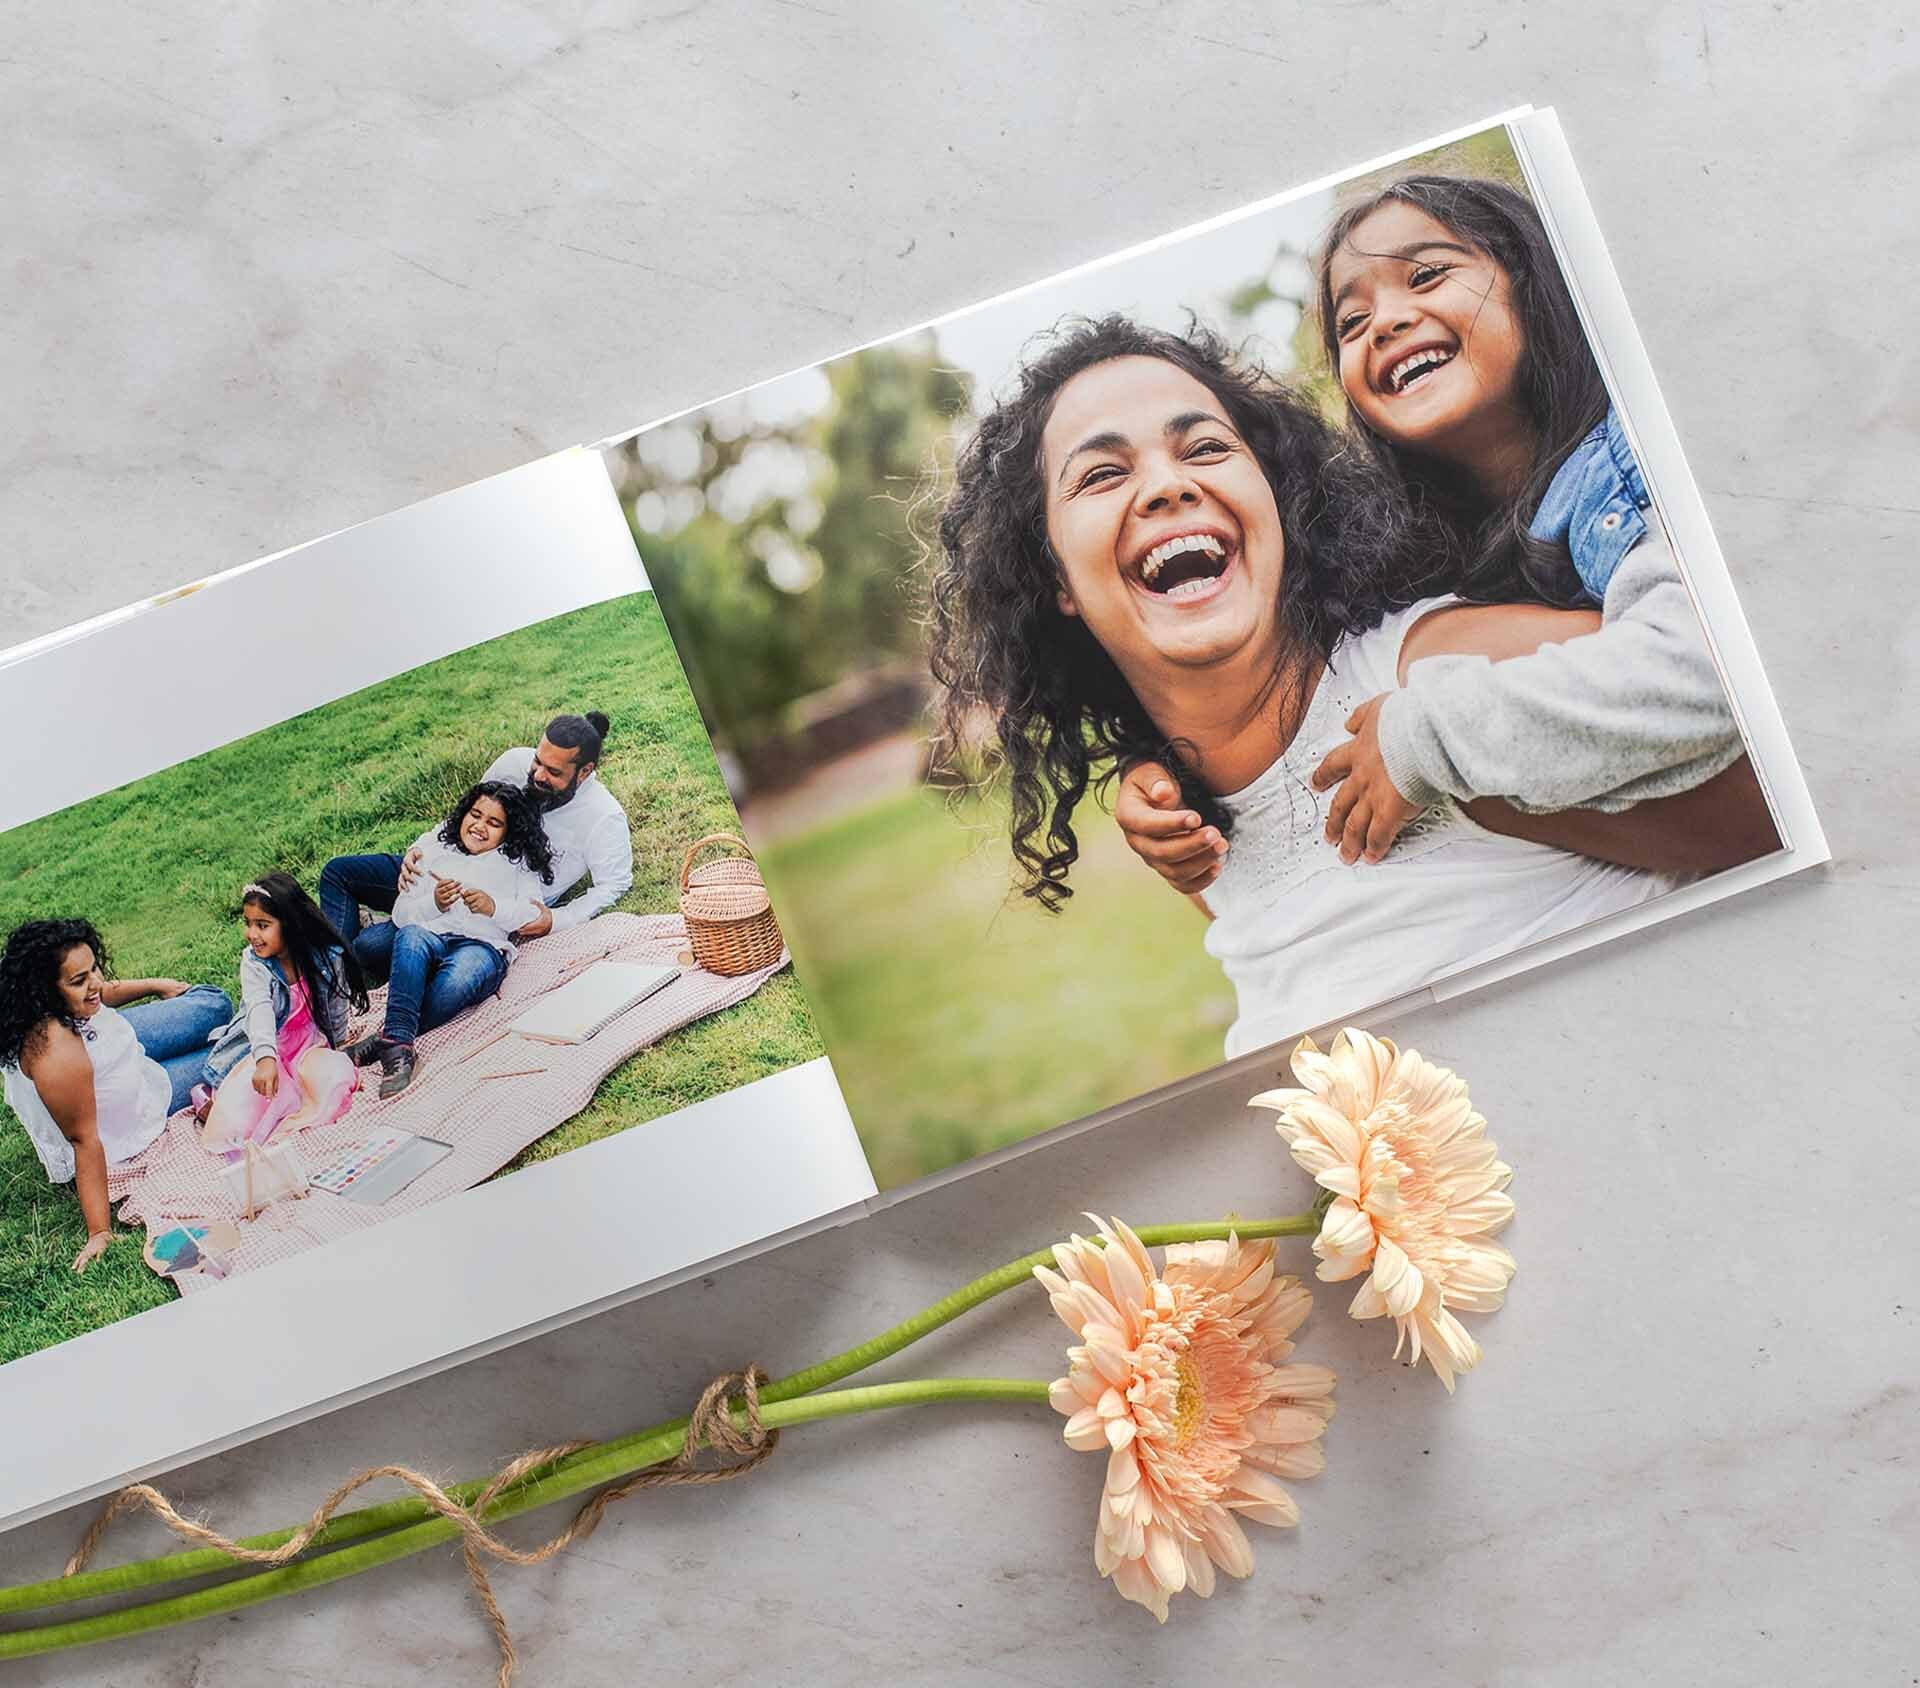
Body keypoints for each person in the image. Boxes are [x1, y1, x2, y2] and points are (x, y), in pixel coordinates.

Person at [927, 317, 1771, 1059]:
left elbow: (1779, 808)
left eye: (1207, 447)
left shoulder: (1439, 682)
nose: (1167, 484)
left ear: (1276, 504)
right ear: (1055, 580)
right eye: (1102, 475)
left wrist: (1459, 756)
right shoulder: (1189, 822)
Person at [1117, 175, 1773, 891]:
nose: (1386, 322)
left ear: (1533, 281)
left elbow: (1722, 671)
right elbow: (1301, 655)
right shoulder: (1431, 543)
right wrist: (1163, 774)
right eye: (1351, 323)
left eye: (1426, 275)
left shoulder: (1633, 467)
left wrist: (1426, 738)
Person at [318, 711, 633, 981]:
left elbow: (614, 884)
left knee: (369, 948)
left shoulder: (603, 817)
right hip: (441, 867)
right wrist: (419, 847)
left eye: (553, 772)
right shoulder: (512, 763)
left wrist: (558, 919)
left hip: (483, 905)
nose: (537, 775)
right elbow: (466, 815)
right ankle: (330, 976)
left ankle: (372, 940)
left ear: (585, 771)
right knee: (338, 872)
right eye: (538, 761)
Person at [0, 919, 233, 1272]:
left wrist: (155, 986)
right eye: (79, 980)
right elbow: (84, 1140)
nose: (95, 982)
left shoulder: (69, 1003)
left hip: (120, 1051)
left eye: (93, 968)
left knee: (213, 1003)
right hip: (137, 1108)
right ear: (44, 992)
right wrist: (99, 1231)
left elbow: (97, 992)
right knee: (230, 1056)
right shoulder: (55, 1055)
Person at [349, 780, 557, 1098]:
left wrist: (493, 908)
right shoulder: (436, 852)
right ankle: (399, 1049)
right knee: (411, 937)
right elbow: (402, 914)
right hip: (432, 935)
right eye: (475, 815)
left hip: (480, 946)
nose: (479, 826)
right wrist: (435, 902)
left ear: (509, 831)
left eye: (494, 823)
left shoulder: (516, 863)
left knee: (459, 979)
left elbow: (533, 913)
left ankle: (390, 1037)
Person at [199, 873, 367, 1153]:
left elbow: (336, 1004)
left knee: (334, 1078)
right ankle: (210, 1098)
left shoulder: (325, 955)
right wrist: (265, 1059)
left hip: (306, 1044)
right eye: (248, 924)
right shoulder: (254, 964)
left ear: (289, 926)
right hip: (265, 1045)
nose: (252, 934)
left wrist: (337, 1045)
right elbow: (260, 1009)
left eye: (262, 925)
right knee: (246, 1112)